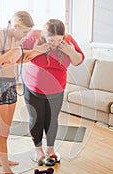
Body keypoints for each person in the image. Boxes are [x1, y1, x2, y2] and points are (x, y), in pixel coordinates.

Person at [22, 19, 85, 165]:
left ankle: (50, 150)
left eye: (58, 39)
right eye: (52, 39)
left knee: (51, 120)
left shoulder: (68, 40)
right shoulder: (34, 37)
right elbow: (18, 55)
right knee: (36, 119)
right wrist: (38, 50)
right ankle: (38, 150)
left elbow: (77, 61)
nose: (55, 43)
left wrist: (70, 51)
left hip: (56, 89)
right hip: (33, 87)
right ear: (45, 34)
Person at [0, 11, 34, 174]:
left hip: (12, 85)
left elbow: (15, 61)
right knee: (3, 133)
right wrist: (11, 51)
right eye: (24, 32)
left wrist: (31, 54)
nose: (26, 36)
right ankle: (6, 172)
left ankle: (2, 160)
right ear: (16, 26)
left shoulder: (17, 39)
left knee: (6, 129)